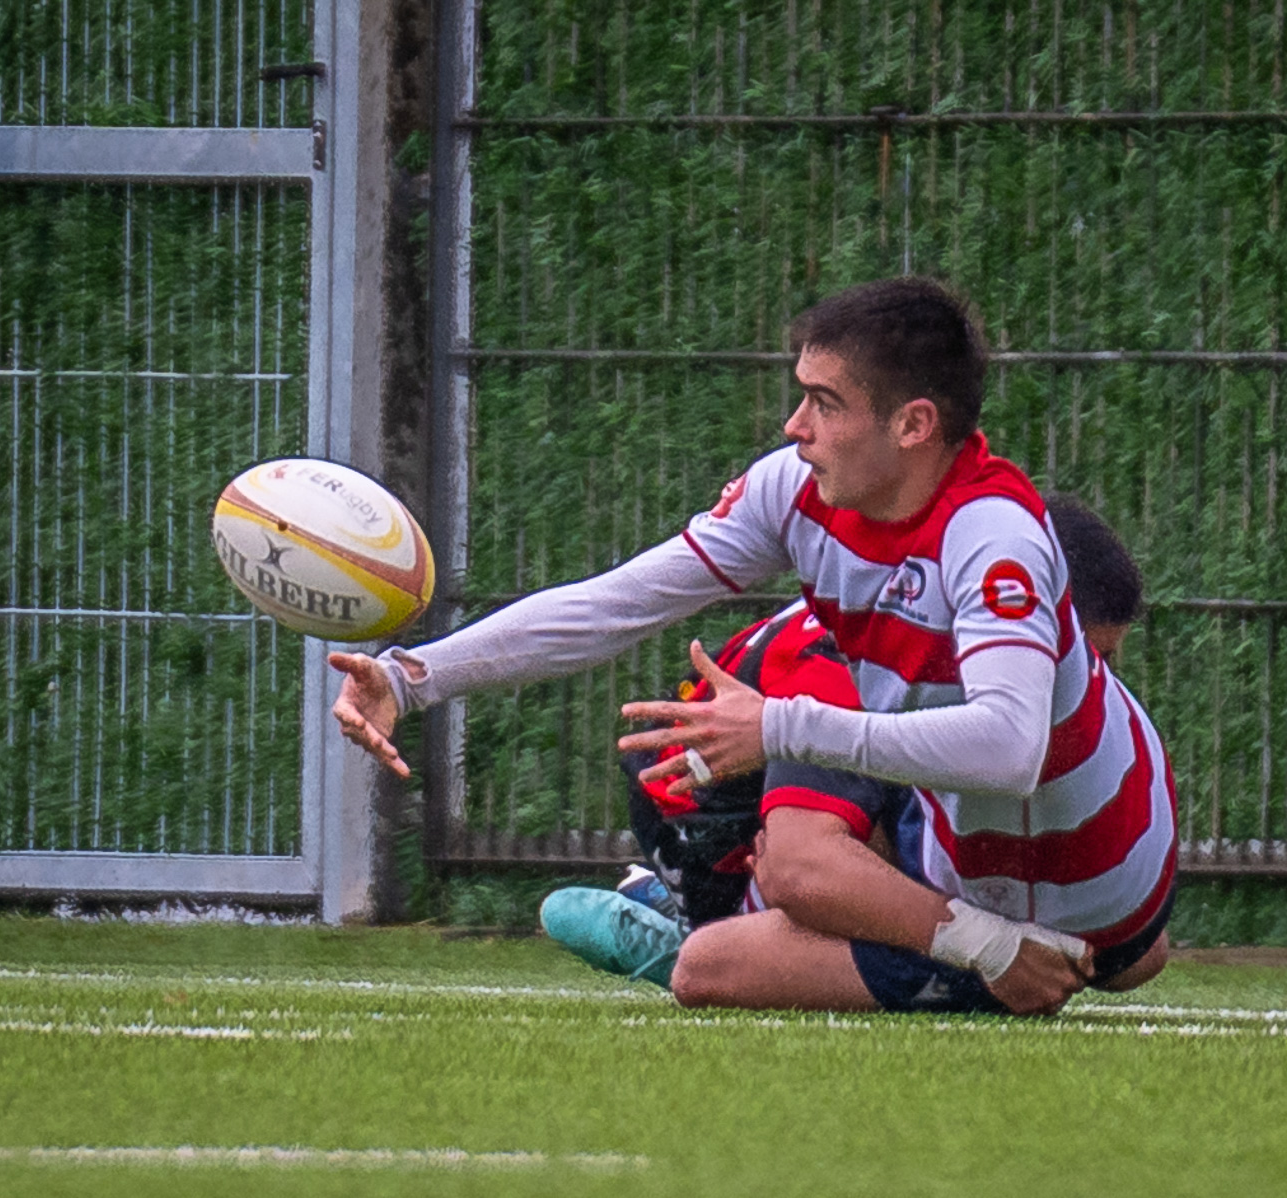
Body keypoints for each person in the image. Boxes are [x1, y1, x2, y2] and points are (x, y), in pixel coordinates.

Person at [329, 276, 1177, 1016]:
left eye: (825, 402)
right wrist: (409, 678)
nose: (793, 423)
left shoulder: (992, 536)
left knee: (715, 966)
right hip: (969, 849)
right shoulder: (797, 491)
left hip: (1091, 894)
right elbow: (615, 603)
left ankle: (986, 957)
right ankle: (806, 910)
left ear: (915, 424)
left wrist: (778, 729)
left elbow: (1011, 747)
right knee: (825, 863)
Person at [543, 492, 1153, 1018]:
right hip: (710, 833)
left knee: (1126, 954)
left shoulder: (958, 623)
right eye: (1081, 661)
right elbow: (798, 867)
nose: (1086, 690)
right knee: (725, 951)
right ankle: (700, 926)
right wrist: (992, 950)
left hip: (794, 814)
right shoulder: (865, 657)